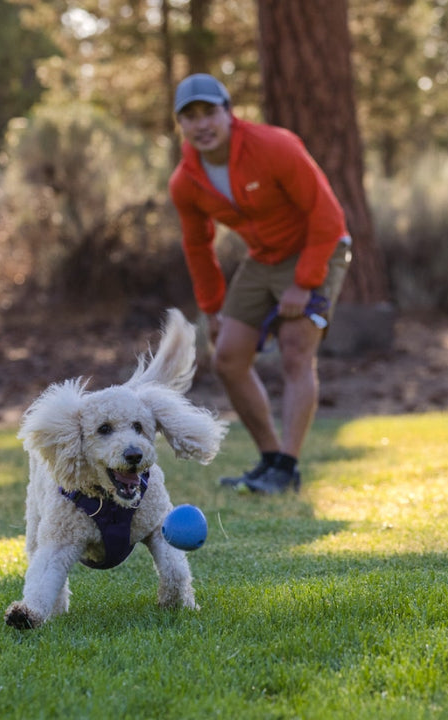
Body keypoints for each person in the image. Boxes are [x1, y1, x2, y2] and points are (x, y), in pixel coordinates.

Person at [168, 73, 353, 495]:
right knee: (228, 359)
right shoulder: (186, 181)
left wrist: (305, 283)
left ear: (229, 112)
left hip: (318, 247)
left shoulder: (276, 146)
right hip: (263, 257)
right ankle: (270, 460)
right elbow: (198, 247)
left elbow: (327, 215)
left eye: (209, 112)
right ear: (181, 124)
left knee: (294, 352)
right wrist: (212, 309)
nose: (202, 125)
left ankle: (288, 466)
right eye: (190, 116)